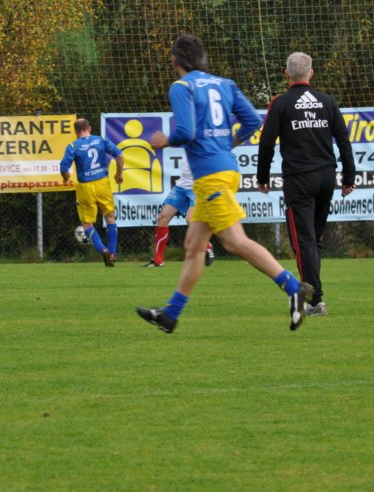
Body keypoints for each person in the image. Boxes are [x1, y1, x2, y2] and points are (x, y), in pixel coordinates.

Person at [136, 35, 313, 334]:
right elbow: (253, 121)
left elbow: (186, 131)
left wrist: (165, 140)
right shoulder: (225, 84)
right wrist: (226, 144)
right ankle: (170, 315)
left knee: (234, 242)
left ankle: (294, 287)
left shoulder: (182, 87)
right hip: (223, 171)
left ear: (175, 60)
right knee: (194, 246)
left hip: (211, 176)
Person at [256, 52, 356, 317]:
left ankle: (315, 301)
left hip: (299, 179)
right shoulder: (327, 101)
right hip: (326, 178)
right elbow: (343, 141)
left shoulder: (280, 103)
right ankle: (315, 296)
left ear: (287, 74)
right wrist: (349, 177)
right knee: (314, 239)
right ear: (311, 73)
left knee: (304, 241)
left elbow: (266, 143)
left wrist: (262, 177)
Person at [61, 118, 124, 267]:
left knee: (87, 224)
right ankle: (112, 253)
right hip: (103, 183)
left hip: (85, 187)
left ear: (76, 131)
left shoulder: (73, 146)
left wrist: (66, 177)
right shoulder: (100, 140)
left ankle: (103, 250)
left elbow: (64, 168)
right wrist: (118, 174)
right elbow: (120, 156)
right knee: (110, 217)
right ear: (89, 128)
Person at [144, 155, 215, 268]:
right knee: (162, 218)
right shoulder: (190, 144)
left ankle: (207, 246)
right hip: (181, 186)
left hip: (198, 187)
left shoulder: (208, 147)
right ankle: (158, 260)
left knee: (191, 219)